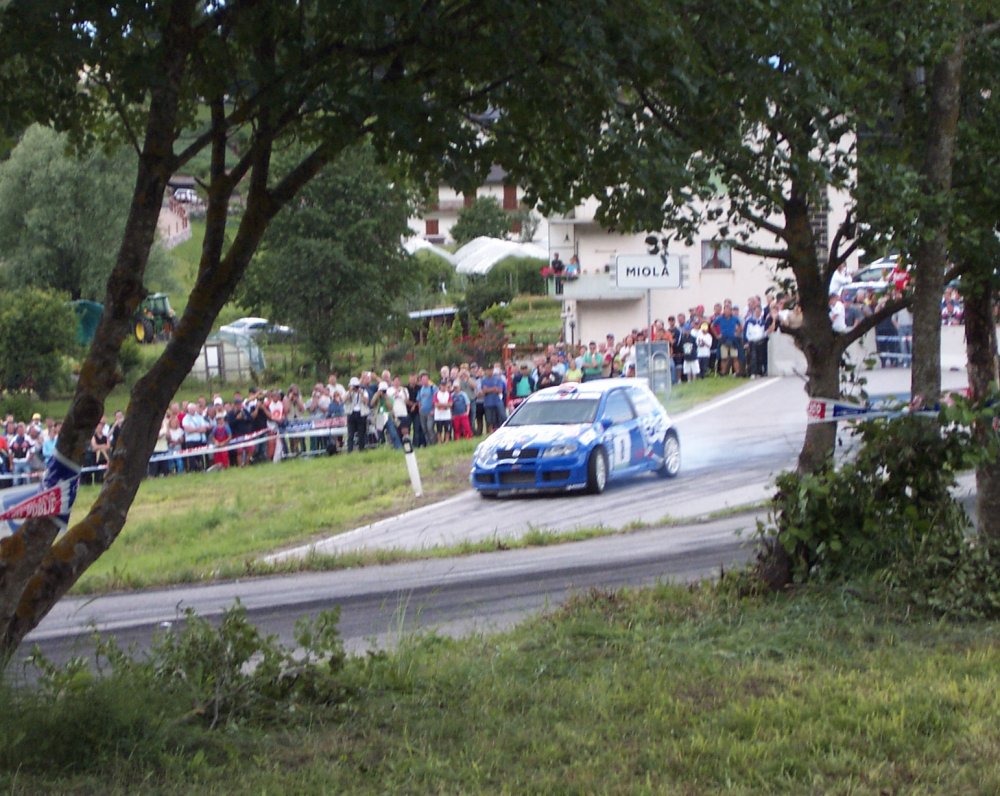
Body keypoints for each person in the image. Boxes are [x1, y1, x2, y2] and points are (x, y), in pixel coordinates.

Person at [345, 376, 370, 452]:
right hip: (351, 413)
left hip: (361, 413)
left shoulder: (363, 392)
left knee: (361, 433)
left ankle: (361, 449)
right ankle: (350, 450)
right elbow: (344, 400)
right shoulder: (349, 393)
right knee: (350, 434)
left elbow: (366, 402)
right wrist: (350, 392)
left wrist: (361, 393)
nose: (355, 388)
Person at [481, 362, 507, 433]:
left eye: (491, 369)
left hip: (497, 402)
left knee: (501, 417)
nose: (489, 371)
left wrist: (489, 389)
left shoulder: (498, 379)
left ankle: (502, 432)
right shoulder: (484, 380)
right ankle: (490, 433)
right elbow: (484, 391)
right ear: (486, 371)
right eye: (488, 370)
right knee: (489, 420)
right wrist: (493, 389)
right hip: (488, 403)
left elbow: (500, 390)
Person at [433, 378, 453, 444]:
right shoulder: (436, 394)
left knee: (447, 429)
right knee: (439, 430)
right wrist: (445, 405)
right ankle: (439, 441)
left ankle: (446, 441)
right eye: (442, 385)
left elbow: (450, 404)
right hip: (438, 416)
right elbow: (436, 404)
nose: (443, 387)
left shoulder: (448, 394)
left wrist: (441, 405)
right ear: (440, 386)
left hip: (447, 415)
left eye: (445, 385)